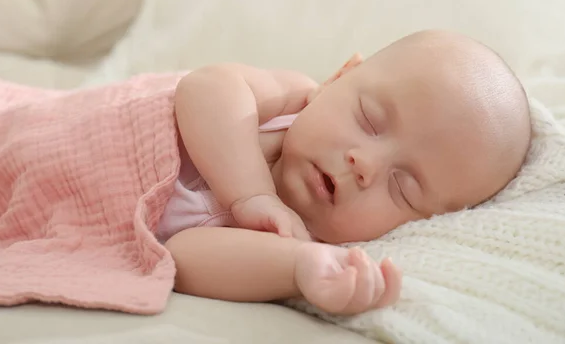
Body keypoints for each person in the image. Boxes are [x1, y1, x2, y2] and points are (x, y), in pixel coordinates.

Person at [161, 30, 532, 315]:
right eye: (369, 120)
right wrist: (251, 194)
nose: (365, 164)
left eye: (402, 187)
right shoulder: (287, 102)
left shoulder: (300, 241)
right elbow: (204, 88)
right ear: (338, 78)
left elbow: (180, 256)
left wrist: (299, 268)